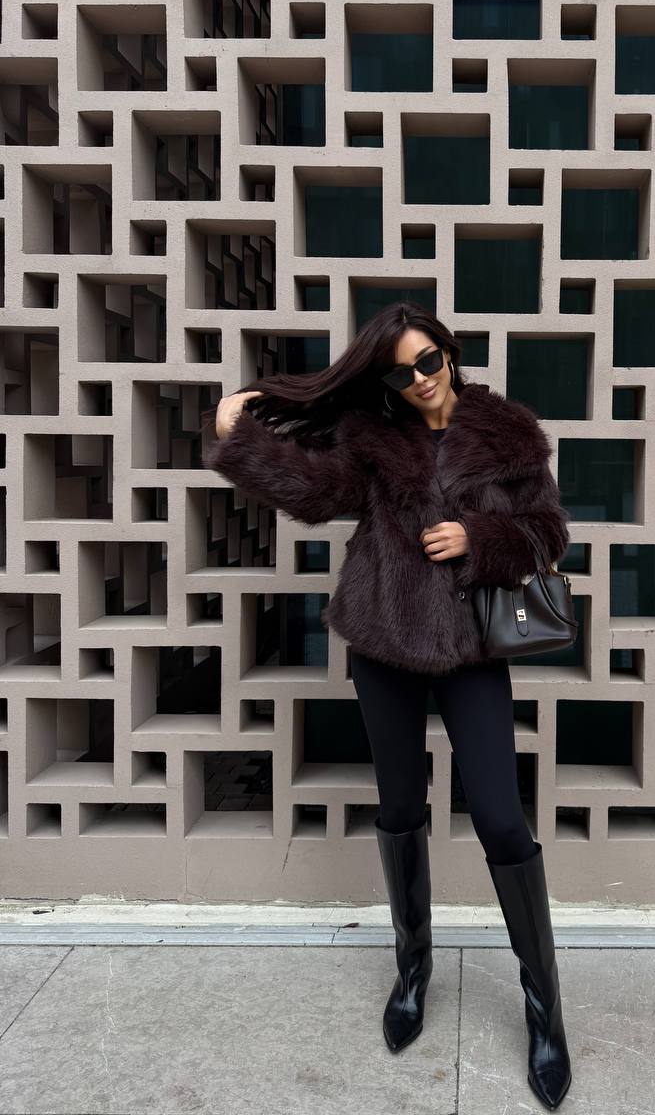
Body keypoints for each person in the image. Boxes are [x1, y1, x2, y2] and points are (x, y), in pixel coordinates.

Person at [202, 301, 573, 1110]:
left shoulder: (510, 434)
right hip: (384, 642)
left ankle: (545, 1013)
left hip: (474, 650)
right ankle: (415, 969)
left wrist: (482, 538)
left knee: (503, 820)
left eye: (428, 361)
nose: (419, 381)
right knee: (401, 807)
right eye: (401, 372)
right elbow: (312, 491)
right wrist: (242, 438)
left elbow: (549, 532)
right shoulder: (373, 440)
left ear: (450, 352)